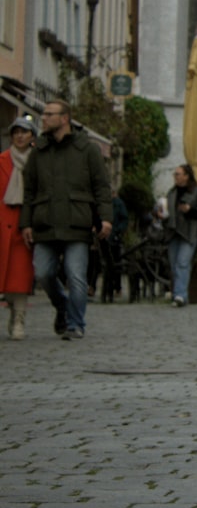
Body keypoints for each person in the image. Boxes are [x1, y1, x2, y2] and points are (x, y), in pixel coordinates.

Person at [19, 100, 113, 340]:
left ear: (64, 119)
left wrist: (105, 218)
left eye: (49, 114)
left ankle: (75, 323)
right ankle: (62, 306)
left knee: (76, 276)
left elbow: (101, 187)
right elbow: (29, 190)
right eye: (44, 113)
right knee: (43, 273)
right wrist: (26, 223)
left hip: (76, 221)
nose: (44, 118)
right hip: (45, 221)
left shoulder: (87, 149)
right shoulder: (38, 151)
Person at [1, 117, 37, 340]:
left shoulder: (37, 162)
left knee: (20, 276)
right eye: (16, 132)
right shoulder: (2, 160)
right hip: (3, 223)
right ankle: (12, 311)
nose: (20, 136)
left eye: (24, 132)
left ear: (32, 136)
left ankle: (18, 320)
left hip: (26, 225)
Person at [164, 165, 197, 307]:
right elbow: (168, 211)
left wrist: (190, 210)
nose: (175, 176)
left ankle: (180, 295)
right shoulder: (172, 192)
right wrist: (161, 214)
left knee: (182, 263)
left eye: (178, 174)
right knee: (174, 265)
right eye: (175, 174)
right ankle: (178, 293)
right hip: (173, 232)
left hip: (190, 233)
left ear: (186, 176)